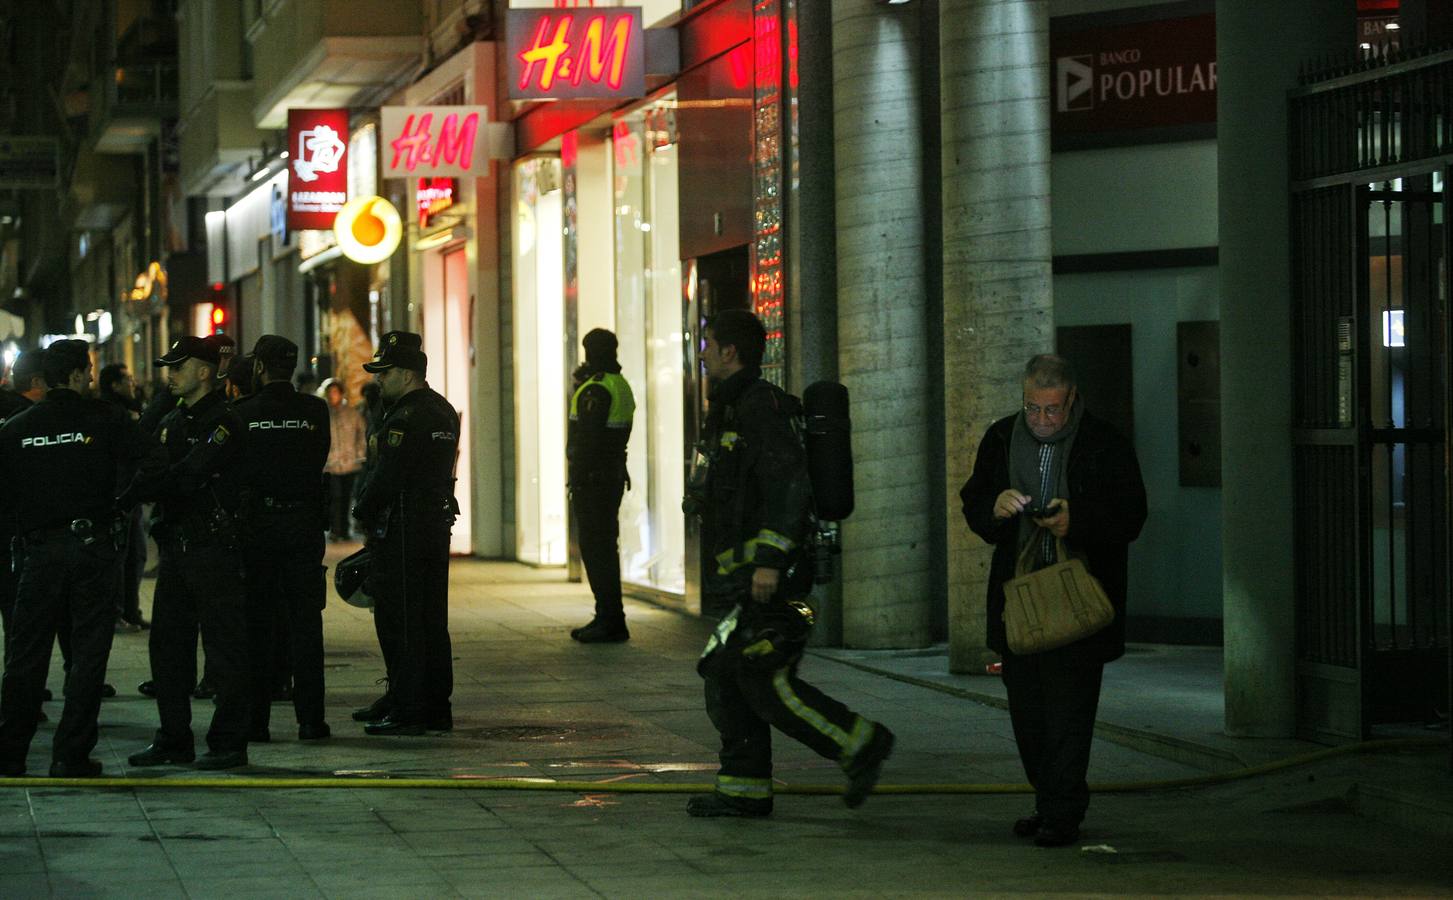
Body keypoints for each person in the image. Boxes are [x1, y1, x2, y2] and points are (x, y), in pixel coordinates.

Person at [686, 309, 894, 819]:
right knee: (726, 674)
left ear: (731, 351)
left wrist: (771, 562)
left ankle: (859, 741)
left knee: (761, 675)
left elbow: (787, 486)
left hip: (771, 575)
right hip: (746, 576)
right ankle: (744, 789)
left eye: (708, 344)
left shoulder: (761, 409)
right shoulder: (730, 409)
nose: (703, 353)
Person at [959, 354, 1147, 848]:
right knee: (1028, 713)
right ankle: (1049, 802)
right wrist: (995, 509)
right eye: (1033, 409)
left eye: (1053, 411)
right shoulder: (1002, 438)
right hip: (1021, 598)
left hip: (1079, 599)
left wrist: (1075, 522)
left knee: (1069, 712)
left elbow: (1131, 515)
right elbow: (974, 504)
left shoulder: (1103, 443)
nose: (1042, 420)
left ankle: (1062, 812)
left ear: (1071, 401)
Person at [0, 341, 166, 777]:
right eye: (88, 371)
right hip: (92, 549)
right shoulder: (105, 420)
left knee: (26, 653)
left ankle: (11, 752)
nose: (92, 378)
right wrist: (124, 502)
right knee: (89, 652)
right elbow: (155, 458)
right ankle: (70, 754)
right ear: (75, 374)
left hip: (38, 552)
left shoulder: (17, 429)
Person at [128, 335, 254, 770]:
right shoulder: (174, 419)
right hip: (179, 548)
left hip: (214, 546)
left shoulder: (225, 421)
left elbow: (187, 474)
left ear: (204, 371)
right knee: (168, 648)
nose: (170, 375)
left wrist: (146, 487)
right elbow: (148, 460)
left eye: (178, 368)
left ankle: (228, 743)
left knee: (225, 649)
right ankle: (173, 738)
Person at [350, 332, 460, 735]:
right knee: (431, 617)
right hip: (433, 524)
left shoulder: (405, 417)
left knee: (402, 618)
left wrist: (362, 509)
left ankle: (409, 706)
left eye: (385, 372)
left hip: (402, 528)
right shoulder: (443, 411)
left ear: (407, 374)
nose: (379, 379)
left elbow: (387, 475)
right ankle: (429, 703)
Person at [233, 336, 332, 743]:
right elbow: (320, 458)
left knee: (258, 624)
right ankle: (311, 721)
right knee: (306, 626)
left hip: (259, 527)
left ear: (258, 367)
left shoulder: (242, 413)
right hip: (304, 525)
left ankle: (256, 722)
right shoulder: (314, 411)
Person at [567, 329, 635, 643]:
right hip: (610, 478)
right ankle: (610, 616)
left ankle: (609, 618)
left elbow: (587, 442)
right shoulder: (619, 383)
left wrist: (576, 478)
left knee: (597, 551)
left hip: (593, 482)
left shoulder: (596, 388)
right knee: (605, 547)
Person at [98, 363, 150, 632]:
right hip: (121, 492)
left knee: (136, 554)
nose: (133, 382)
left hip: (133, 490)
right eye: (127, 379)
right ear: (115, 385)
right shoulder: (111, 413)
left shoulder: (129, 408)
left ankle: (131, 610)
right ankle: (116, 613)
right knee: (120, 556)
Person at [320, 378, 366, 542]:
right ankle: (336, 529)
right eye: (329, 392)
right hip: (331, 464)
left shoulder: (352, 413)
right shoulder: (324, 413)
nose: (332, 395)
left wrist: (360, 453)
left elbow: (361, 435)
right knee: (334, 497)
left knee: (346, 497)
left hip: (350, 463)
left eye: (335, 392)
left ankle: (343, 529)